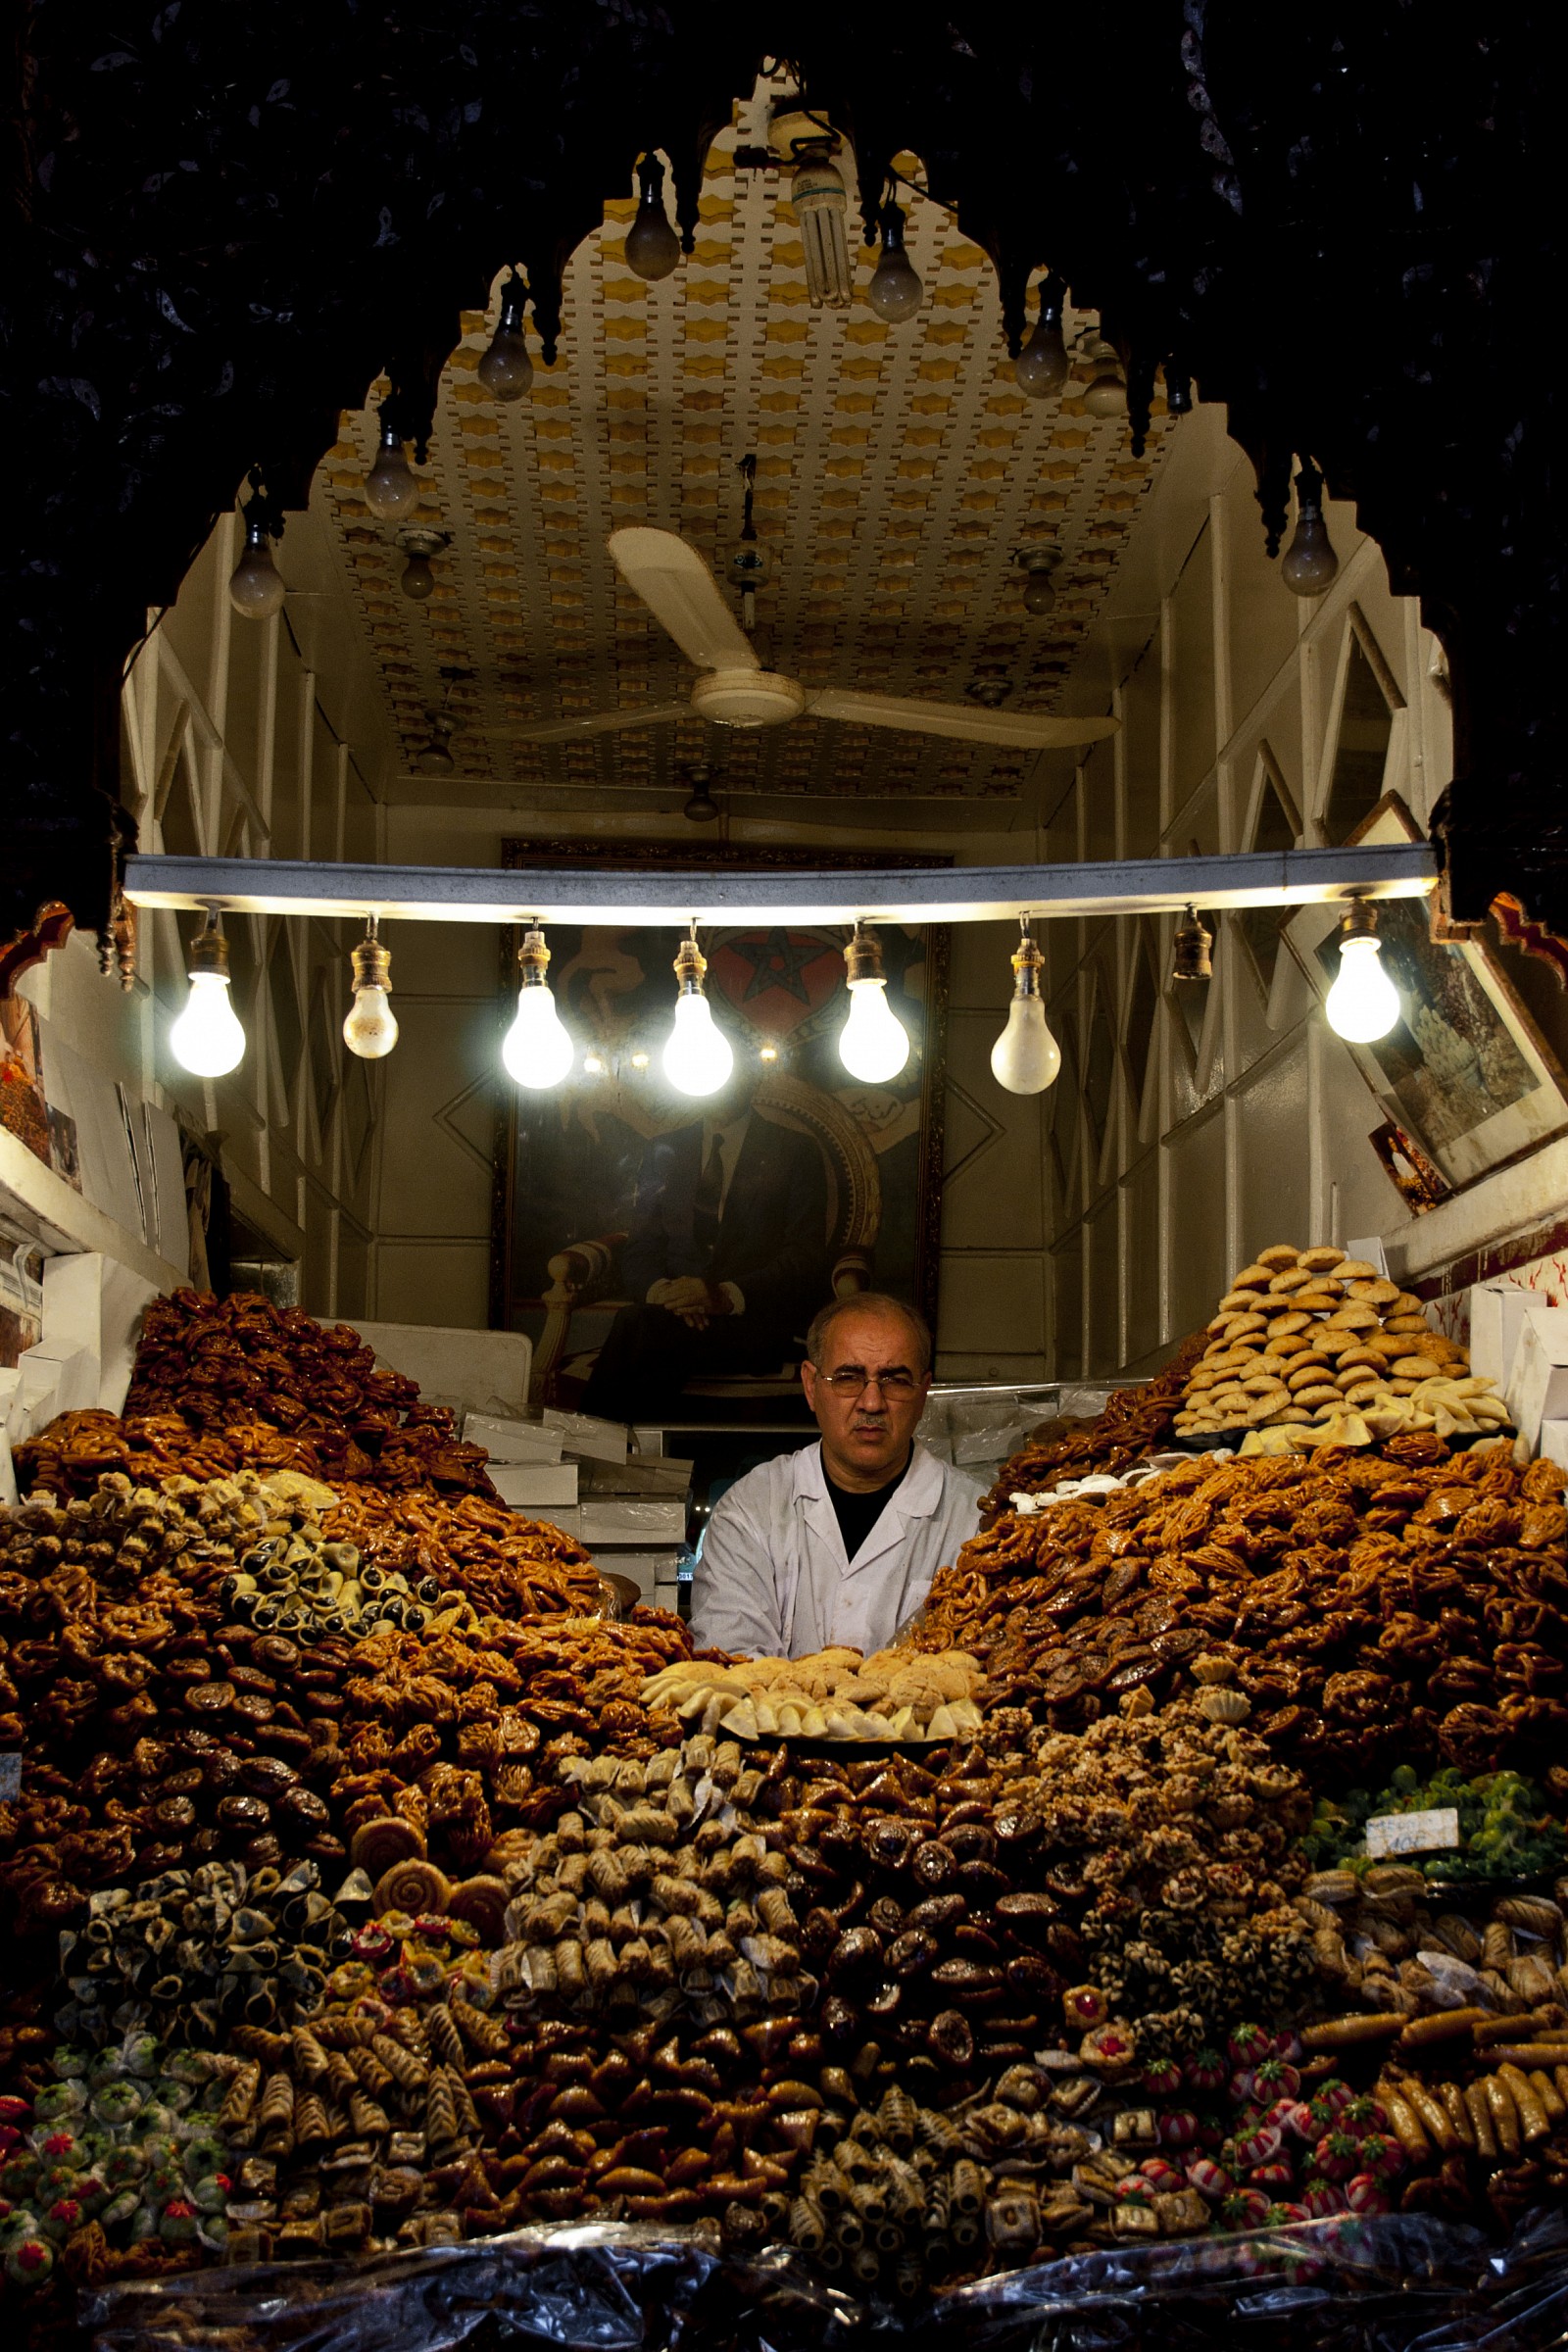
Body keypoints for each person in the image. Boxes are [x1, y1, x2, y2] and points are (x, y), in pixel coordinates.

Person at [690, 1291, 979, 1659]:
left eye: (894, 1380)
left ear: (922, 1393)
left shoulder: (976, 1521)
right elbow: (730, 1661)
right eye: (848, 1378)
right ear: (811, 1386)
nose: (871, 1403)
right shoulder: (751, 1509)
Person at [579, 1061, 828, 1423]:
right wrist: (668, 1295)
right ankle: (619, 1447)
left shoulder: (794, 1150)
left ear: (753, 1077)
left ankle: (591, 1447)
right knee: (644, 1328)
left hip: (750, 1322)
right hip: (669, 1315)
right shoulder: (665, 1149)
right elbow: (641, 1248)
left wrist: (725, 1295)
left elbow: (806, 1256)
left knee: (637, 1328)